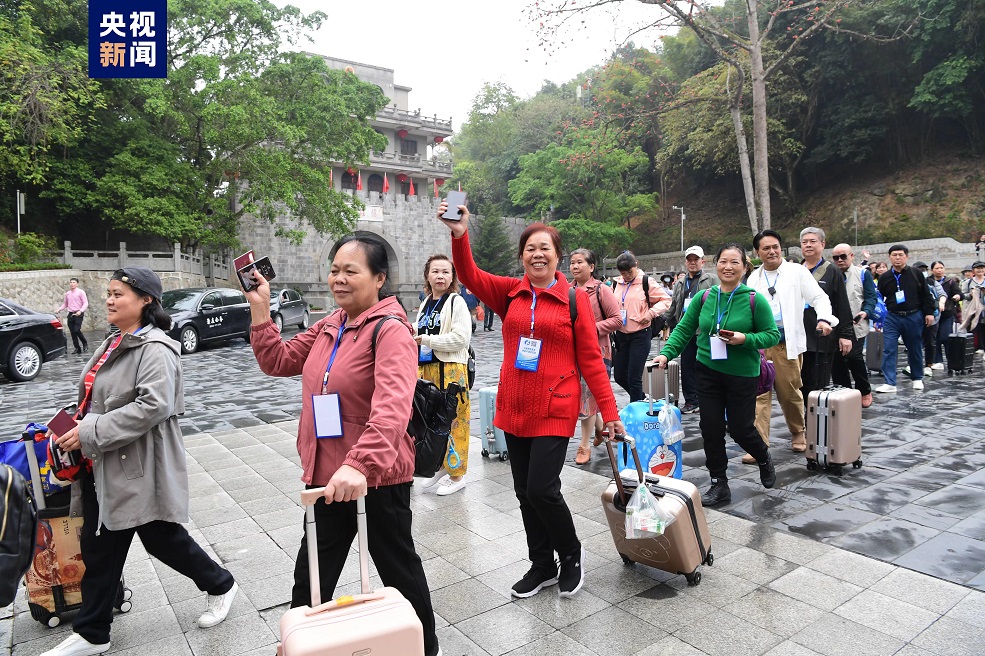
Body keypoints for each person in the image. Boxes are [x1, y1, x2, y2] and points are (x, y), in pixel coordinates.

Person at [248, 235, 440, 656]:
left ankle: (425, 648)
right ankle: (303, 647)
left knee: (399, 571)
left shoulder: (391, 331)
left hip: (377, 478)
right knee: (312, 576)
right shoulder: (329, 324)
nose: (339, 278)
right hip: (325, 476)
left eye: (351, 271)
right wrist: (260, 308)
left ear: (379, 279)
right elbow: (277, 360)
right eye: (335, 270)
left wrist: (360, 464)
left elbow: (392, 407)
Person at [42, 267, 237, 656]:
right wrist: (71, 422)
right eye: (110, 294)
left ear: (146, 300)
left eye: (119, 294)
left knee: (162, 540)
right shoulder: (114, 341)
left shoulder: (156, 349)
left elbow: (153, 406)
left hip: (136, 466)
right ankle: (93, 632)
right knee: (100, 546)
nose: (110, 300)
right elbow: (93, 396)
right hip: (103, 464)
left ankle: (221, 585)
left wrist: (89, 432)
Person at [436, 202, 625, 600]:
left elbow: (591, 360)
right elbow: (468, 274)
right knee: (523, 491)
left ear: (557, 255)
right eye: (529, 249)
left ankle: (571, 555)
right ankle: (542, 564)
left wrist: (610, 413)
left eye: (545, 248)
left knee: (542, 488)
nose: (537, 254)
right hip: (515, 405)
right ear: (522, 256)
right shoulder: (510, 293)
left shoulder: (573, 300)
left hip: (556, 407)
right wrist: (459, 234)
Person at [653, 243, 780, 507]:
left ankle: (764, 456)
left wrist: (745, 338)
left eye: (735, 262)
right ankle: (718, 483)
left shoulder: (754, 300)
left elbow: (772, 335)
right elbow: (684, 329)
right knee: (710, 428)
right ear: (716, 264)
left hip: (743, 374)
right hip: (708, 371)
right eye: (723, 261)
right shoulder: (704, 297)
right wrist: (666, 354)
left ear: (745, 267)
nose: (728, 267)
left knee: (740, 428)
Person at [745, 230, 838, 455]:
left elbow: (819, 297)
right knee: (758, 395)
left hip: (786, 344)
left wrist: (824, 319)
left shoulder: (797, 272)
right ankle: (759, 444)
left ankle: (798, 431)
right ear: (758, 252)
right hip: (760, 345)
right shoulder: (753, 278)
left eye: (775, 246)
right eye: (766, 248)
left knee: (789, 392)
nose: (772, 252)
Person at [414, 254, 472, 496]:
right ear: (427, 275)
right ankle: (440, 465)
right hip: (428, 368)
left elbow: (461, 339)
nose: (440, 276)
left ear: (452, 277)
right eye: (435, 271)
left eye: (445, 272)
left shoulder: (456, 302)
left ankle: (457, 475)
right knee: (431, 420)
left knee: (455, 420)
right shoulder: (426, 302)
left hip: (451, 371)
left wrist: (427, 340)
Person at [568, 248, 623, 465]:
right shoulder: (566, 290)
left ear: (591, 267)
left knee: (587, 397)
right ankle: (599, 429)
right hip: (572, 353)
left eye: (580, 262)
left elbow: (617, 320)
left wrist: (590, 328)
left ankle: (584, 444)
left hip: (598, 352)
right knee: (583, 396)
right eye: (572, 263)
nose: (575, 266)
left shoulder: (601, 290)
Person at [798, 228, 854, 404]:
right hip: (799, 338)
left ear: (822, 244)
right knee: (799, 385)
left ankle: (815, 424)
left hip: (822, 338)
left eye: (812, 241)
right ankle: (802, 425)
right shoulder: (795, 271)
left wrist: (845, 335)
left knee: (817, 385)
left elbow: (842, 305)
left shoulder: (832, 271)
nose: (808, 245)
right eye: (804, 241)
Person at [662, 246, 718, 414]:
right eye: (689, 260)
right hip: (686, 329)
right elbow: (674, 305)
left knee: (705, 365)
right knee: (686, 367)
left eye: (696, 260)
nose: (692, 263)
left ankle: (707, 398)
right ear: (686, 262)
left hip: (704, 329)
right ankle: (691, 401)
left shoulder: (712, 279)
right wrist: (663, 320)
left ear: (703, 261)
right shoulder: (680, 282)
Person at [873, 244, 935, 393]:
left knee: (914, 348)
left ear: (907, 256)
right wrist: (877, 318)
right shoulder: (885, 277)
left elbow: (926, 294)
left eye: (901, 255)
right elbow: (879, 299)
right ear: (889, 257)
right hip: (892, 316)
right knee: (889, 348)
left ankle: (917, 378)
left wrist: (929, 312)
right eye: (894, 255)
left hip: (913, 315)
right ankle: (890, 382)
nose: (898, 257)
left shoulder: (915, 273)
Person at [611, 251, 671, 402]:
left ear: (636, 265)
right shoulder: (616, 284)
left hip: (640, 334)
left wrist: (650, 313)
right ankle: (643, 398)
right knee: (619, 376)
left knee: (634, 377)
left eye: (629, 271)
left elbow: (666, 300)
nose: (627, 276)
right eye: (623, 273)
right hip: (621, 335)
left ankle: (636, 412)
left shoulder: (646, 281)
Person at [830, 243, 877, 407]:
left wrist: (866, 311)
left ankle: (864, 389)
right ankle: (844, 392)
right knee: (837, 360)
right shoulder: (830, 274)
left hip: (856, 325)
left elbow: (871, 297)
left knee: (853, 357)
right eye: (836, 257)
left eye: (843, 256)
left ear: (851, 256)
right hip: (834, 326)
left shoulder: (863, 274)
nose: (840, 260)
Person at [912, 261, 946, 379]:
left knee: (930, 342)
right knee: (914, 341)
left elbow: (942, 294)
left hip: (932, 316)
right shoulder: (910, 282)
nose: (922, 272)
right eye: (919, 270)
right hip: (914, 316)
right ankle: (914, 365)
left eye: (923, 270)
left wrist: (941, 302)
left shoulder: (932, 282)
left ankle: (929, 364)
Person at [931, 261, 961, 369]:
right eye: (937, 268)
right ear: (932, 270)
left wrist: (957, 296)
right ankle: (937, 361)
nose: (939, 270)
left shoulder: (950, 282)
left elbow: (959, 293)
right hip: (933, 314)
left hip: (947, 313)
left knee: (946, 336)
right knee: (934, 339)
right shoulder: (929, 282)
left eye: (941, 268)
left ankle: (951, 359)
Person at [56, 277, 89, 354]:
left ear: (77, 284)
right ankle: (77, 348)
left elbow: (85, 303)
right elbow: (65, 304)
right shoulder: (68, 294)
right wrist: (59, 309)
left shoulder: (81, 292)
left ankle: (84, 343)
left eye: (74, 282)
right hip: (71, 314)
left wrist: (80, 311)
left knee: (76, 330)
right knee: (72, 332)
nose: (72, 284)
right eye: (71, 282)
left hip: (78, 313)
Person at [960, 261, 985, 357]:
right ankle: (976, 347)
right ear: (973, 270)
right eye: (978, 268)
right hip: (973, 309)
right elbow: (963, 295)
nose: (980, 270)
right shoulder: (968, 282)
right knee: (974, 327)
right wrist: (971, 294)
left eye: (982, 268)